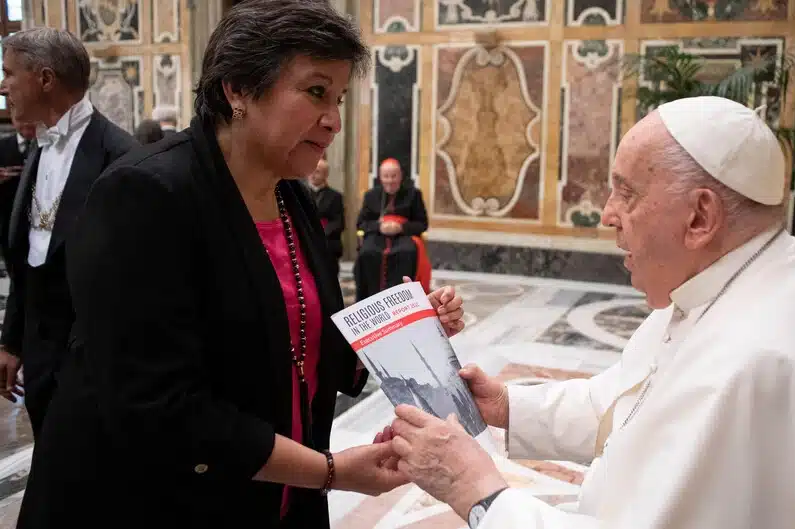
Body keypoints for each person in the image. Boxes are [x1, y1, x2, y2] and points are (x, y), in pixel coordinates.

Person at [16, 2, 466, 528]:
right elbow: (159, 404)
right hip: (162, 500)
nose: (334, 120)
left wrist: (404, 330)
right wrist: (330, 471)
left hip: (276, 491)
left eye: (339, 98)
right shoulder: (144, 194)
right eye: (317, 91)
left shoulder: (288, 196)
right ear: (237, 90)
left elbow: (298, 332)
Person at [385, 96, 795, 528]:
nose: (607, 214)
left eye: (625, 193)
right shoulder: (748, 276)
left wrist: (479, 491)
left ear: (700, 216)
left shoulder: (757, 364)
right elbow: (625, 406)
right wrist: (507, 405)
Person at [0, 28, 138, 435]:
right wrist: (11, 342)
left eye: (9, 73)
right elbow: (29, 256)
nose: (3, 85)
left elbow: (132, 280)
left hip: (94, 365)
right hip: (40, 359)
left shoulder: (121, 157)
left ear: (45, 79)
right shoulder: (39, 147)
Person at [355, 158, 430, 300]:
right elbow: (361, 223)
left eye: (393, 176)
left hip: (404, 236)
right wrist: (380, 226)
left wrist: (400, 227)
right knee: (367, 252)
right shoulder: (371, 195)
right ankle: (369, 298)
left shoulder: (414, 194)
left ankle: (403, 300)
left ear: (400, 176)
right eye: (386, 176)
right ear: (380, 177)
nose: (390, 180)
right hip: (377, 235)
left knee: (407, 252)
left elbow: (422, 224)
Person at [0, 116, 35, 280]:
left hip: (39, 219)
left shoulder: (47, 146)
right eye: (22, 118)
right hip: (8, 220)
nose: (27, 122)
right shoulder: (2, 146)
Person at [307, 157, 344, 269]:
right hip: (305, 234)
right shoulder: (299, 193)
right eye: (311, 170)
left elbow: (339, 222)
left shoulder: (335, 196)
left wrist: (321, 233)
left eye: (317, 171)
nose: (313, 174)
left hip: (327, 238)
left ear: (325, 174)